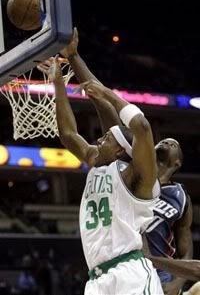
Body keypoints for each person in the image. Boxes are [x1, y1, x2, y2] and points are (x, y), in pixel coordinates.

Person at [59, 28, 193, 294]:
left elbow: (135, 123)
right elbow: (99, 109)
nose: (101, 138)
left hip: (135, 271)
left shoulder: (149, 183)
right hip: (101, 275)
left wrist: (178, 282)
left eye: (108, 137)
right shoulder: (111, 164)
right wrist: (72, 60)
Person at [39, 56, 164, 294]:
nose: (98, 139)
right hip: (97, 279)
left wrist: (107, 92)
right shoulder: (97, 164)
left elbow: (142, 126)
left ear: (119, 149)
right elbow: (68, 134)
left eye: (106, 138)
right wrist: (59, 81)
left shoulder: (137, 179)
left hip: (130, 275)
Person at [145, 138, 193, 294]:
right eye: (162, 141)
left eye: (173, 145)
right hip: (130, 266)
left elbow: (185, 249)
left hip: (162, 274)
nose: (166, 142)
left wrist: (177, 284)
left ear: (177, 163)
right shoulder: (134, 179)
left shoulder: (180, 196)